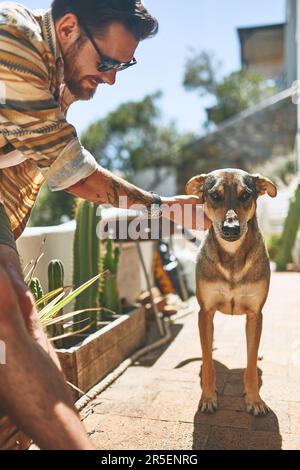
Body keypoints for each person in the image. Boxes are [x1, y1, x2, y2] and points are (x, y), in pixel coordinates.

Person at [0, 0, 208, 450]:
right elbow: (70, 169)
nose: (112, 77)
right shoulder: (12, 36)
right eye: (107, 61)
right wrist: (165, 207)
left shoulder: (61, 78)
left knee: (19, 306)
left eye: (124, 65)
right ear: (69, 27)